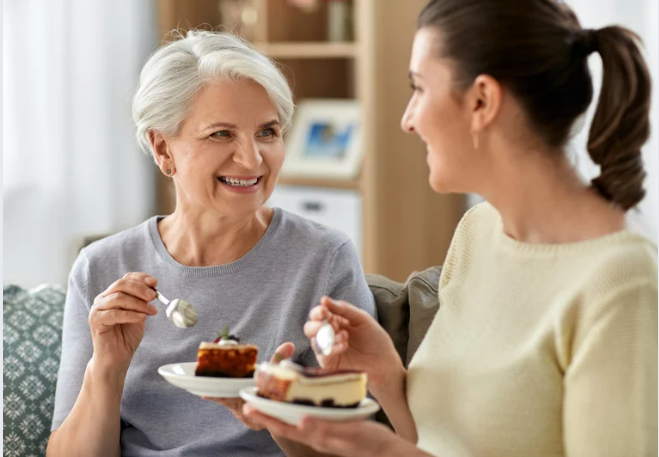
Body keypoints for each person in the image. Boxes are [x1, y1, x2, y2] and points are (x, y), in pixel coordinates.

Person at [243, 0, 658, 456]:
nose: (407, 118)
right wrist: (387, 377)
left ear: (482, 100)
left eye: (419, 89)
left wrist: (378, 451)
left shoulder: (621, 283)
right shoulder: (478, 232)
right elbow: (434, 443)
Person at [46, 31, 375, 457]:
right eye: (221, 134)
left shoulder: (323, 260)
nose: (253, 159)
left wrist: (277, 414)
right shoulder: (101, 267)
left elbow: (363, 447)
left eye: (267, 132)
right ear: (163, 148)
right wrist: (106, 369)